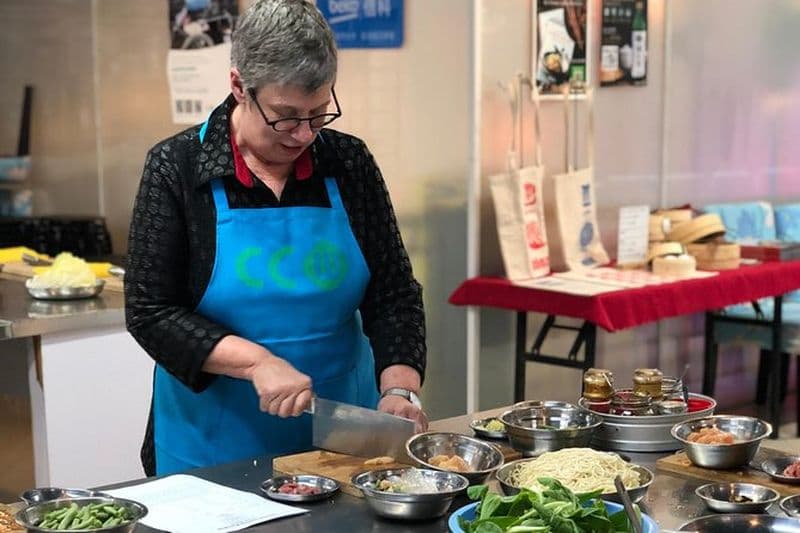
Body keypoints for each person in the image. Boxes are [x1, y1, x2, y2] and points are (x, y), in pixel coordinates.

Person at [125, 0, 428, 476]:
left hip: (341, 439)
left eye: (319, 113)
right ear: (239, 86)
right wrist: (255, 363)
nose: (304, 134)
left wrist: (399, 388)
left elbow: (393, 292)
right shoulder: (177, 168)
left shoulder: (348, 163)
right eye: (286, 117)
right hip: (213, 441)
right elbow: (150, 311)